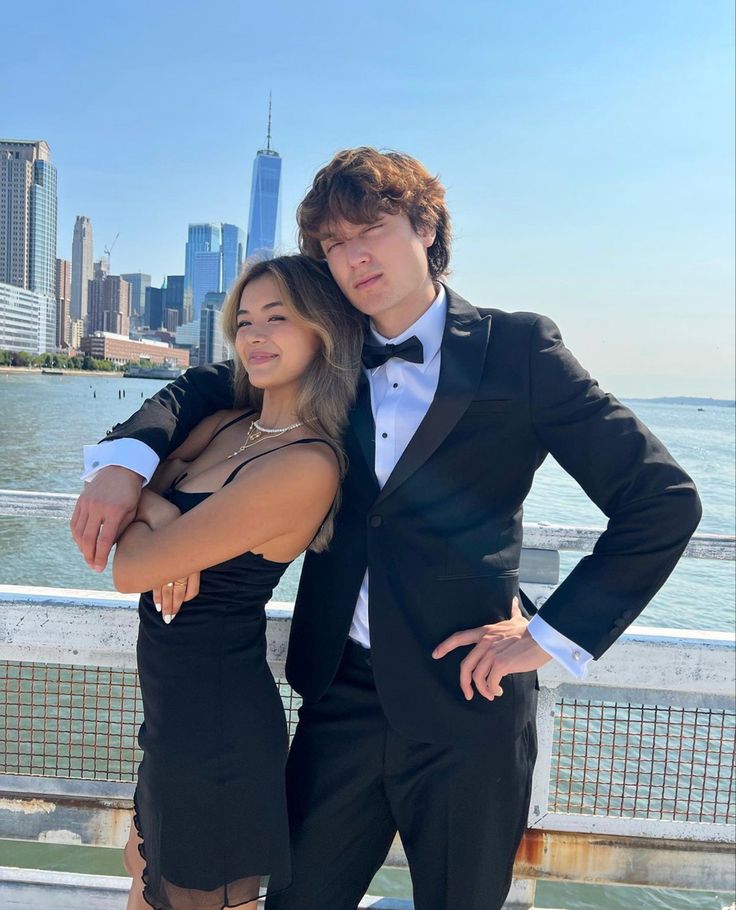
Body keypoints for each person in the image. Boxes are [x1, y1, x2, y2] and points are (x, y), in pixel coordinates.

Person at [72, 148, 702, 910]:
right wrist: (124, 467)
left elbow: (662, 500)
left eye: (368, 229)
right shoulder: (324, 348)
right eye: (332, 244)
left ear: (426, 226)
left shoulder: (519, 351)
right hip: (339, 696)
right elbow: (207, 383)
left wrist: (546, 635)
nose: (351, 256)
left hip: (468, 702)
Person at [104, 254, 363, 910]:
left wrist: (160, 534)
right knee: (141, 876)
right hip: (168, 723)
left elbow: (128, 568)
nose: (255, 335)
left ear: (323, 332)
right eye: (244, 320)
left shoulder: (306, 464)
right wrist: (163, 518)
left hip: (219, 735)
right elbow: (136, 504)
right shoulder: (225, 425)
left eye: (278, 318)